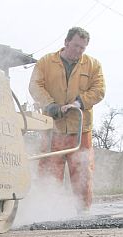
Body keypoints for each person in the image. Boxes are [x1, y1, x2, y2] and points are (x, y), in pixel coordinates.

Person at [29, 27, 105, 213]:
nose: (79, 51)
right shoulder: (46, 62)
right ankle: (48, 210)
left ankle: (83, 212)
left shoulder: (93, 65)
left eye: (83, 48)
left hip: (80, 129)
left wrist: (80, 102)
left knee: (82, 173)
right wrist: (50, 105)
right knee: (49, 171)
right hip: (52, 129)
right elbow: (35, 86)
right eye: (76, 46)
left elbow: (99, 90)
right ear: (66, 42)